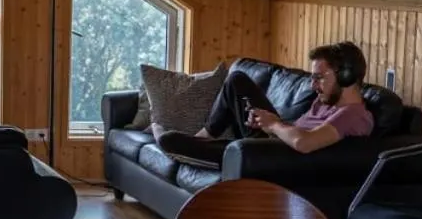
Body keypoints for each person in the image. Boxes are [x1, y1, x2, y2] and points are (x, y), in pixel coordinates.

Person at [157, 41, 375, 168]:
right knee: (237, 80)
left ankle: (178, 142)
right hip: (273, 143)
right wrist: (269, 124)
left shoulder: (353, 115)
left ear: (346, 76)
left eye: (319, 77)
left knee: (169, 140)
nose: (313, 85)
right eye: (312, 78)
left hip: (271, 159)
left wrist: (273, 124)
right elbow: (296, 131)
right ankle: (204, 136)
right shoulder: (326, 100)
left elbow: (304, 142)